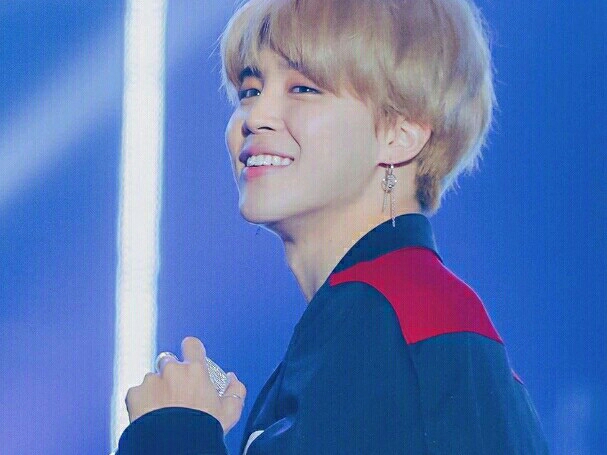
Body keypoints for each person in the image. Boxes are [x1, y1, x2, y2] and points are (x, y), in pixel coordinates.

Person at [116, 0, 549, 453]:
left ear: (401, 133)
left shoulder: (383, 323)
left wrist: (173, 430)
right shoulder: (392, 313)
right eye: (250, 90)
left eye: (303, 88)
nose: (255, 117)